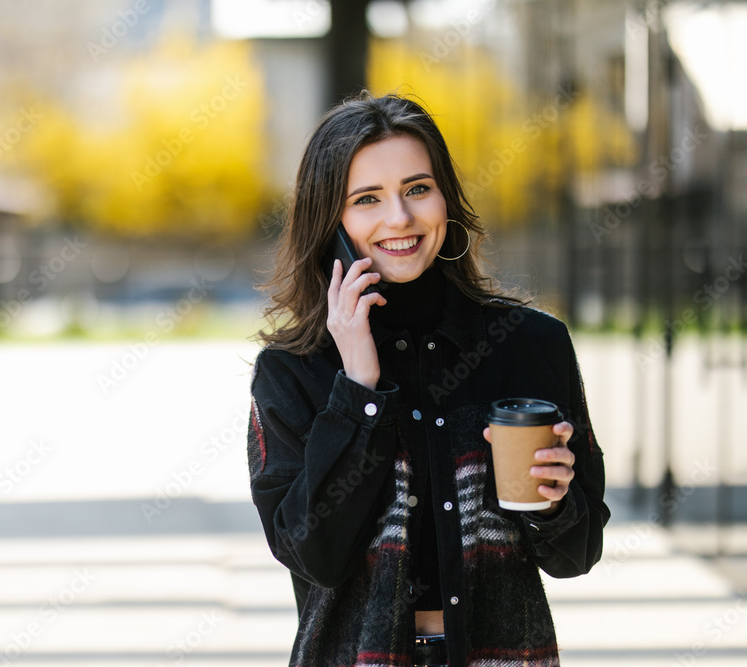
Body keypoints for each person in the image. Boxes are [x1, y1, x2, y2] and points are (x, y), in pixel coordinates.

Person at [247, 92, 609, 667]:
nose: (400, 218)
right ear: (330, 223)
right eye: (367, 199)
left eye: (417, 188)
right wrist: (359, 389)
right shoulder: (294, 371)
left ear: (446, 199)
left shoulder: (531, 345)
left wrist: (553, 504)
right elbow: (313, 553)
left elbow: (577, 554)